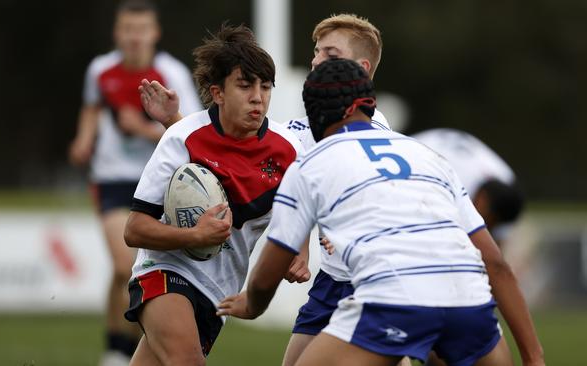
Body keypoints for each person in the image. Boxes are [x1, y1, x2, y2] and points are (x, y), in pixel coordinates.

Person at [217, 58, 545, 366]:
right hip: (468, 303)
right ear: (369, 105)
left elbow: (270, 267)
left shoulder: (310, 164)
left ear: (315, 114)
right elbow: (496, 264)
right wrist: (533, 359)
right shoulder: (428, 156)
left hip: (394, 299)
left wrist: (252, 304)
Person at [122, 25, 304, 365]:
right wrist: (194, 235)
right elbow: (134, 229)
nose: (258, 97)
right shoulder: (182, 138)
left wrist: (302, 249)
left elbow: (306, 204)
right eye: (245, 85)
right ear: (217, 93)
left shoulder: (288, 150)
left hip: (218, 291)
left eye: (266, 87)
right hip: (163, 270)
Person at [68, 1, 201, 364]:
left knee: (142, 271)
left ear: (154, 33)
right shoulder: (101, 69)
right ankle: (115, 350)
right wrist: (84, 139)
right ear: (117, 32)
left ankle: (130, 349)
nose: (134, 37)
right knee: (121, 266)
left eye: (141, 29)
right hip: (111, 179)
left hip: (157, 183)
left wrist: (142, 129)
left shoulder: (171, 73)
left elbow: (186, 132)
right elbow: (92, 109)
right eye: (128, 29)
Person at [411, 128, 524, 245]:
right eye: (488, 221)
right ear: (483, 201)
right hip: (413, 147)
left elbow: (498, 240)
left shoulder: (508, 183)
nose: (486, 227)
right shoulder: (451, 183)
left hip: (447, 142)